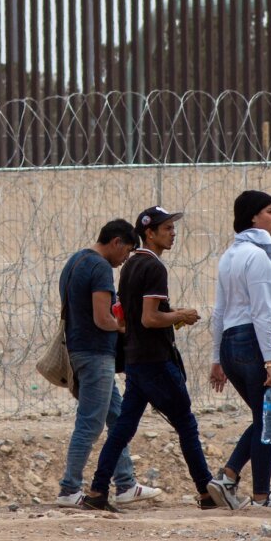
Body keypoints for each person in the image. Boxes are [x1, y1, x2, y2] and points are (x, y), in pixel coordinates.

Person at [81, 207, 235, 512]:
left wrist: (171, 319)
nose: (172, 232)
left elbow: (132, 318)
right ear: (149, 232)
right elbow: (150, 318)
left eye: (172, 228)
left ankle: (98, 491)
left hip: (138, 360)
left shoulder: (131, 266)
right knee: (186, 424)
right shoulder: (154, 268)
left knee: (124, 428)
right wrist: (181, 315)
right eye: (166, 228)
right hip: (155, 361)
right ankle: (206, 492)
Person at [55, 219, 163, 508]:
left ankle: (125, 483)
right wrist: (127, 328)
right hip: (94, 355)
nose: (124, 260)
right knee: (89, 423)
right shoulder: (100, 266)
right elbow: (102, 318)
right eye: (126, 252)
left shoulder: (76, 261)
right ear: (116, 242)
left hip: (80, 351)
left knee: (117, 418)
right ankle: (69, 489)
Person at [208, 190, 271, 508]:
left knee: (264, 416)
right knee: (269, 418)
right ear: (253, 217)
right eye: (270, 211)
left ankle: (228, 477)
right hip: (256, 345)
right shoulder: (256, 257)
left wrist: (217, 358)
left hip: (232, 344)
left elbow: (219, 311)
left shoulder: (230, 255)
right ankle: (260, 496)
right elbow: (262, 313)